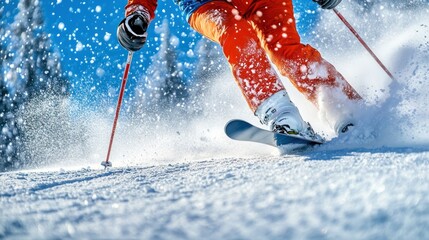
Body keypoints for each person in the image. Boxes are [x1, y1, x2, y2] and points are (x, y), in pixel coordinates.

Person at [117, 0, 363, 138]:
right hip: (206, 3)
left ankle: (345, 107)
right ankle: (280, 113)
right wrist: (137, 14)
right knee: (235, 32)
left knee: (285, 50)